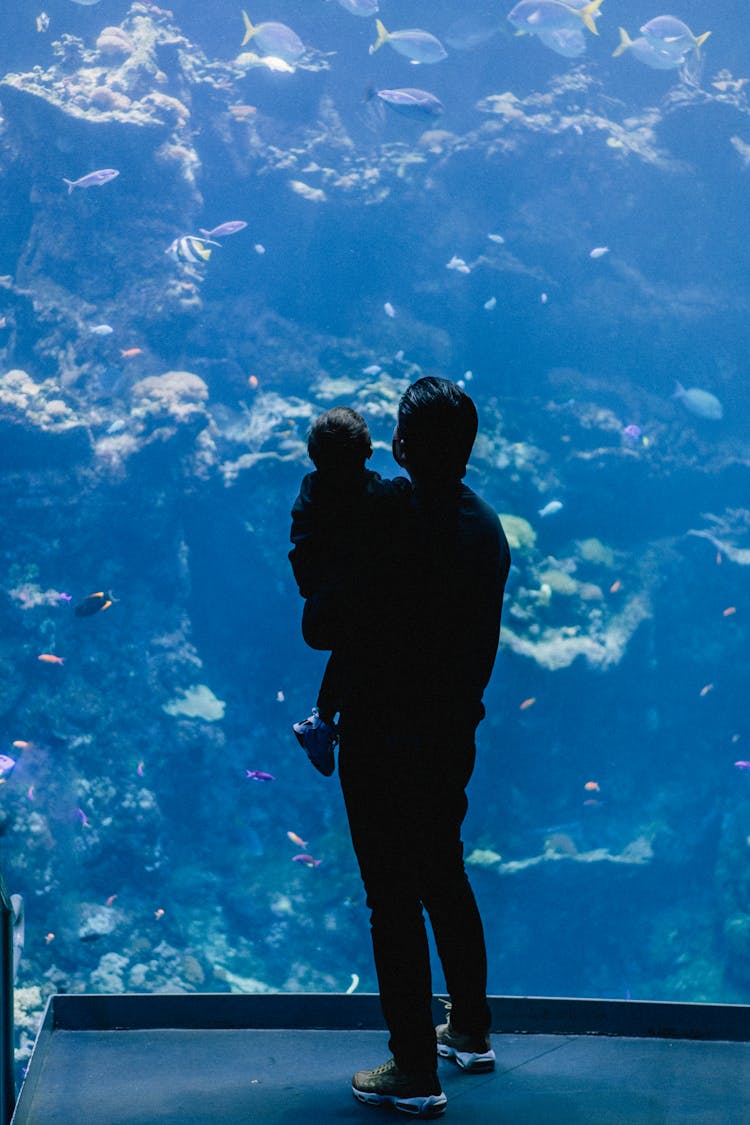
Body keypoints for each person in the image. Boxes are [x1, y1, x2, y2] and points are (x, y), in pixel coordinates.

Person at [300, 378, 511, 1118]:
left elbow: (325, 626)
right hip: (451, 734)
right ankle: (472, 1031)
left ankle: (415, 1070)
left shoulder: (392, 525)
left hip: (384, 738)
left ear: (402, 446)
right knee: (442, 874)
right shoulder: (487, 528)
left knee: (391, 898)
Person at [288, 405, 411, 775]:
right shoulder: (381, 497)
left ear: (313, 456)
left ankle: (321, 720)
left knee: (351, 643)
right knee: (362, 636)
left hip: (320, 612)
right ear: (369, 451)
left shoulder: (311, 490)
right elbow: (403, 492)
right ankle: (321, 720)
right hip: (358, 616)